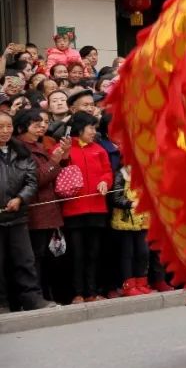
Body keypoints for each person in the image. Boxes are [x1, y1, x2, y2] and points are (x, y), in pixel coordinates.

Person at [0, 110, 55, 312]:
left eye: (8, 126)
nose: (5, 131)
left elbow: (31, 180)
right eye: (0, 127)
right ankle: (3, 303)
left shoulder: (21, 152)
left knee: (25, 260)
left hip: (18, 215)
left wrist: (20, 198)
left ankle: (32, 299)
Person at [15, 109, 66, 301]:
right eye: (36, 124)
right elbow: (36, 179)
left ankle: (47, 294)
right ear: (22, 127)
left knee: (46, 256)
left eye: (44, 123)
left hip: (48, 207)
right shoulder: (21, 148)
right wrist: (55, 161)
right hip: (35, 209)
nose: (42, 127)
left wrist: (63, 157)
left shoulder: (38, 145)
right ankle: (35, 296)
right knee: (35, 256)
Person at [63, 111, 114, 303]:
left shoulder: (99, 149)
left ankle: (92, 291)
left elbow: (108, 172)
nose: (94, 131)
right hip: (73, 209)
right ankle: (77, 292)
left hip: (97, 208)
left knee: (94, 253)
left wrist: (104, 182)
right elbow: (59, 169)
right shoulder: (67, 148)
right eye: (91, 127)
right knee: (76, 254)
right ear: (80, 128)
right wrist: (63, 154)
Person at [109, 164, 152, 296]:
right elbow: (115, 197)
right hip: (125, 222)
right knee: (128, 253)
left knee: (143, 252)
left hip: (142, 220)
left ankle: (141, 282)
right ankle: (128, 284)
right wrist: (130, 203)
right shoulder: (120, 174)